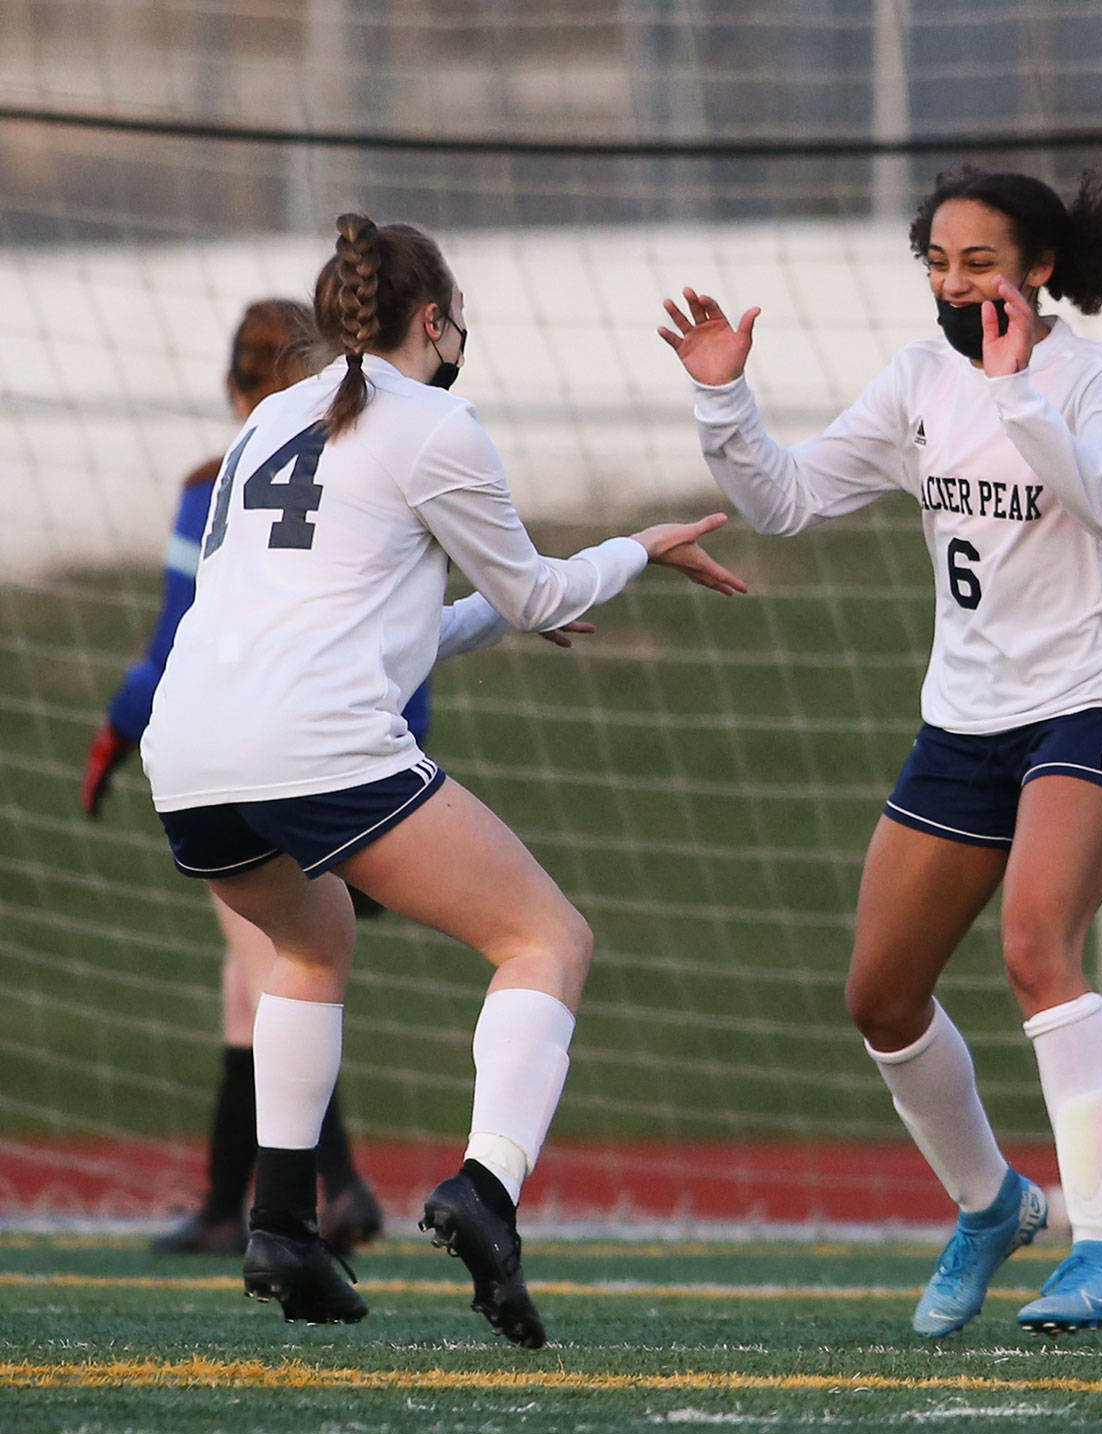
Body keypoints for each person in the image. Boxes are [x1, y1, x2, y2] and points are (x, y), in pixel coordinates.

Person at [139, 212, 746, 1348]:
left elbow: (363, 616)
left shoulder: (271, 416)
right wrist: (640, 549)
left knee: (312, 942)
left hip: (189, 753)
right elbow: (536, 597)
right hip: (312, 743)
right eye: (457, 317)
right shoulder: (436, 421)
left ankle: (280, 1222)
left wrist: (507, 613)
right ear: (434, 319)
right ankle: (487, 1189)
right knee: (545, 941)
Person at [661, 167, 1102, 1336]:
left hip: (1090, 702)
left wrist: (1018, 392)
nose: (951, 283)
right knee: (880, 995)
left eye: (977, 264)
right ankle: (990, 1205)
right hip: (963, 720)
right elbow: (784, 502)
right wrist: (723, 402)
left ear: (1036, 270)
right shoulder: (916, 379)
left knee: (1038, 943)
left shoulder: (1098, 375)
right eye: (936, 263)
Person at [83, 299, 390, 1258]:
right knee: (244, 982)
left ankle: (334, 1188)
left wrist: (114, 731)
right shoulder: (371, 469)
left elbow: (176, 640)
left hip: (254, 760)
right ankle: (224, 1199)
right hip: (372, 760)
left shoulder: (218, 488)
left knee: (274, 975)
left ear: (234, 387)